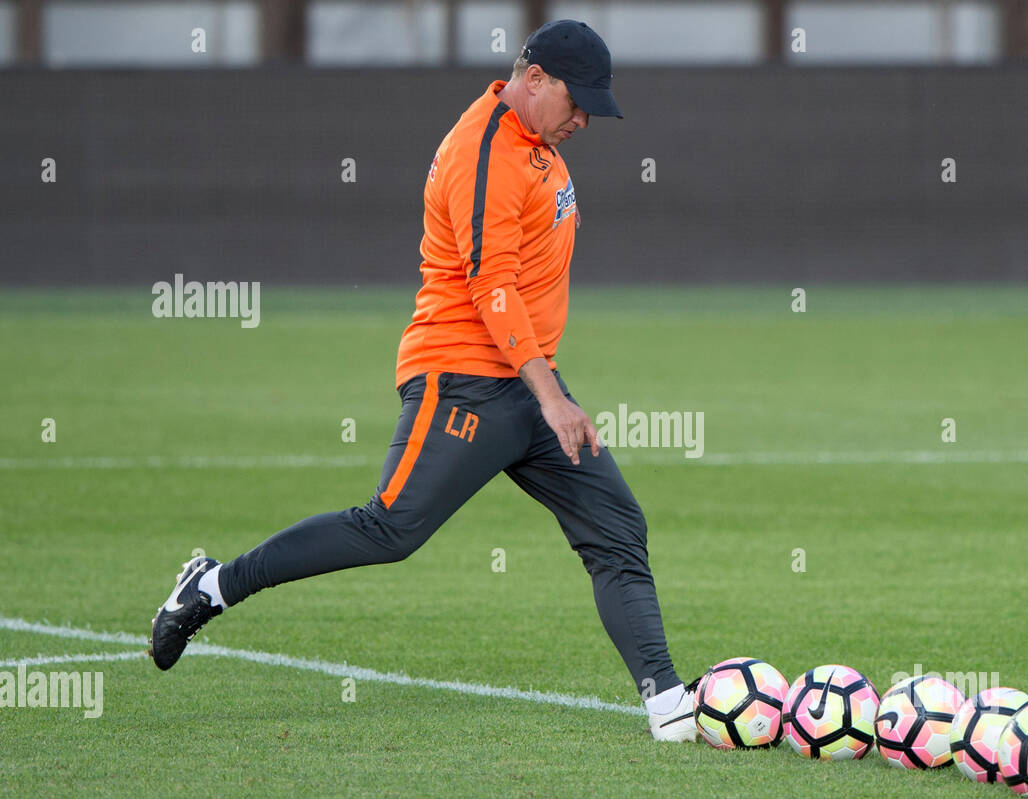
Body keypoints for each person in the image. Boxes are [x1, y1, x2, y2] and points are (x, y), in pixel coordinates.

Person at [149, 20, 697, 742]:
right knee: (389, 528)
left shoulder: (537, 142)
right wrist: (551, 394)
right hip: (462, 377)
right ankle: (211, 587)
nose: (585, 118)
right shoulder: (484, 151)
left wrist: (543, 386)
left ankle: (668, 707)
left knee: (616, 528)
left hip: (527, 380)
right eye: (578, 100)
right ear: (534, 80)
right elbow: (489, 284)